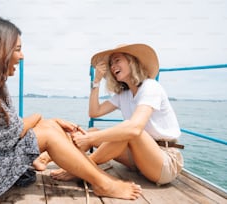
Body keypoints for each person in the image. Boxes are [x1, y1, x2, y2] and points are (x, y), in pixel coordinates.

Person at [0, 16, 142, 203]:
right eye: (17, 49)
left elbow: (5, 128)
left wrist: (49, 121)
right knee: (48, 131)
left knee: (48, 126)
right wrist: (41, 117)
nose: (21, 56)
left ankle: (80, 171)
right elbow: (9, 135)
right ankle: (103, 183)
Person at [50, 43, 184, 186]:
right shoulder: (124, 95)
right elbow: (94, 112)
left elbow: (134, 128)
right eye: (111, 63)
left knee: (128, 131)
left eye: (117, 60)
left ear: (132, 62)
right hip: (139, 158)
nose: (113, 67)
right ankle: (47, 158)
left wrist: (90, 139)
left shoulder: (150, 86)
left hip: (165, 161)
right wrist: (96, 82)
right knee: (93, 131)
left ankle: (82, 168)